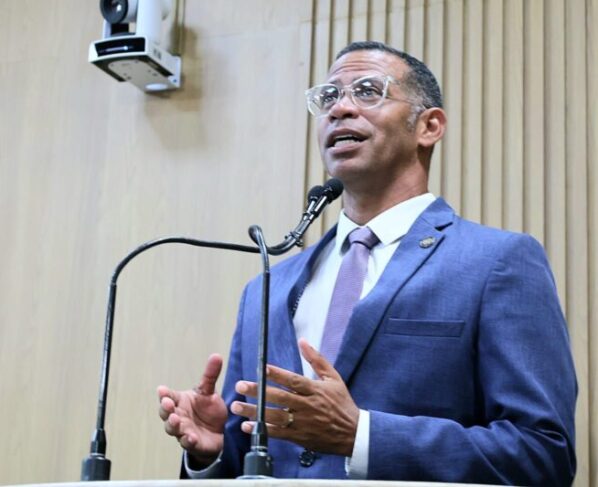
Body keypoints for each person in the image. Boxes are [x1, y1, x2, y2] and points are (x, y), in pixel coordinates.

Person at [157, 41, 577, 484]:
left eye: (367, 91)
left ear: (429, 126)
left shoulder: (497, 262)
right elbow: (251, 460)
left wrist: (363, 437)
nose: (339, 109)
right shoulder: (268, 286)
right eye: (328, 97)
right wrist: (214, 452)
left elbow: (543, 453)